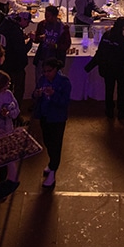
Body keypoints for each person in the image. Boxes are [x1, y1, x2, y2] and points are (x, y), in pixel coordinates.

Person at [33, 57, 71, 189]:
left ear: (56, 69)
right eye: (44, 71)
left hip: (57, 118)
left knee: (56, 145)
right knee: (48, 142)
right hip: (45, 116)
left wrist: (53, 94)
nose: (46, 74)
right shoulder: (43, 79)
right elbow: (36, 92)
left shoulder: (64, 82)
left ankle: (53, 170)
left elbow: (65, 102)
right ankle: (52, 163)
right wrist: (37, 94)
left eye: (49, 71)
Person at [84, 16, 124, 119]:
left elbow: (100, 51)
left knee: (109, 88)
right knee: (122, 89)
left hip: (107, 67)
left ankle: (109, 110)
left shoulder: (106, 35)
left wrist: (90, 66)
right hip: (119, 68)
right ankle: (121, 110)